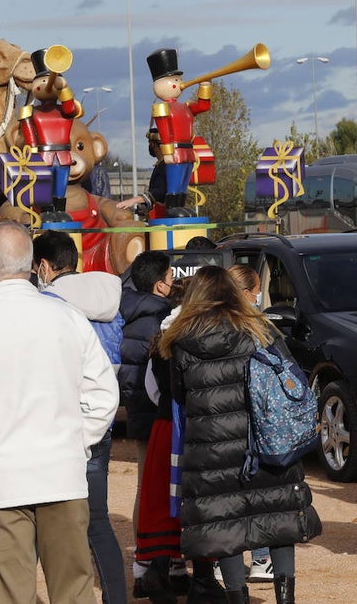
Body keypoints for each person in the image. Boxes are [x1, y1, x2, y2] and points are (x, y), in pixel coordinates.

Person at [161, 266, 322, 604]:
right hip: (265, 439)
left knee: (225, 529)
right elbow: (292, 378)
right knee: (277, 521)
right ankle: (285, 598)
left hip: (210, 450)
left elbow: (178, 395)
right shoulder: (260, 329)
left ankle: (237, 599)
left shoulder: (180, 340)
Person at [0, 220, 119, 604]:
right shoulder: (67, 317)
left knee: (10, 594)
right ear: (33, 265)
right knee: (74, 592)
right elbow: (104, 394)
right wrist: (76, 441)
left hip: (0, 481)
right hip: (62, 475)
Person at [32, 230, 128, 604]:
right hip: (99, 422)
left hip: (59, 423)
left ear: (42, 266)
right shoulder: (107, 299)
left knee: (40, 517)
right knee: (98, 520)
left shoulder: (48, 305)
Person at [120, 251, 188, 601]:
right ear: (160, 282)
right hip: (165, 413)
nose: (174, 280)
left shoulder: (125, 312)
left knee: (145, 489)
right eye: (171, 274)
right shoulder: (166, 318)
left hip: (138, 410)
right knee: (172, 487)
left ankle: (143, 565)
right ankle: (171, 563)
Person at [222, 264, 276, 584]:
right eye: (256, 292)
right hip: (251, 419)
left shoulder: (209, 324)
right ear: (245, 294)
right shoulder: (257, 328)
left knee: (226, 493)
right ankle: (261, 558)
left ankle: (223, 560)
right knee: (256, 488)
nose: (259, 297)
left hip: (217, 421)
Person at [15, 47, 83, 222]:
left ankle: (60, 210)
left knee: (61, 184)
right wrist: (32, 151)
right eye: (42, 81)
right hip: (42, 154)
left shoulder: (65, 110)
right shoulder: (31, 111)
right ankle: (45, 210)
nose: (48, 84)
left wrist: (64, 88)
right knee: (44, 184)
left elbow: (71, 108)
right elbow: (29, 132)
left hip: (63, 154)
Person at [148, 48, 212, 218]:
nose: (180, 82)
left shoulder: (186, 107)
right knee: (175, 181)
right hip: (175, 150)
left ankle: (180, 206)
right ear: (160, 84)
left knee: (184, 179)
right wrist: (168, 152)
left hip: (187, 149)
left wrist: (205, 87)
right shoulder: (162, 107)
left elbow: (204, 106)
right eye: (174, 79)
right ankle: (172, 208)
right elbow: (164, 130)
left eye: (179, 78)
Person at [116, 127, 168, 220]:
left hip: (163, 218)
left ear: (153, 144)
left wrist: (133, 200)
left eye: (149, 142)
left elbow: (158, 192)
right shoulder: (161, 164)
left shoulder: (164, 166)